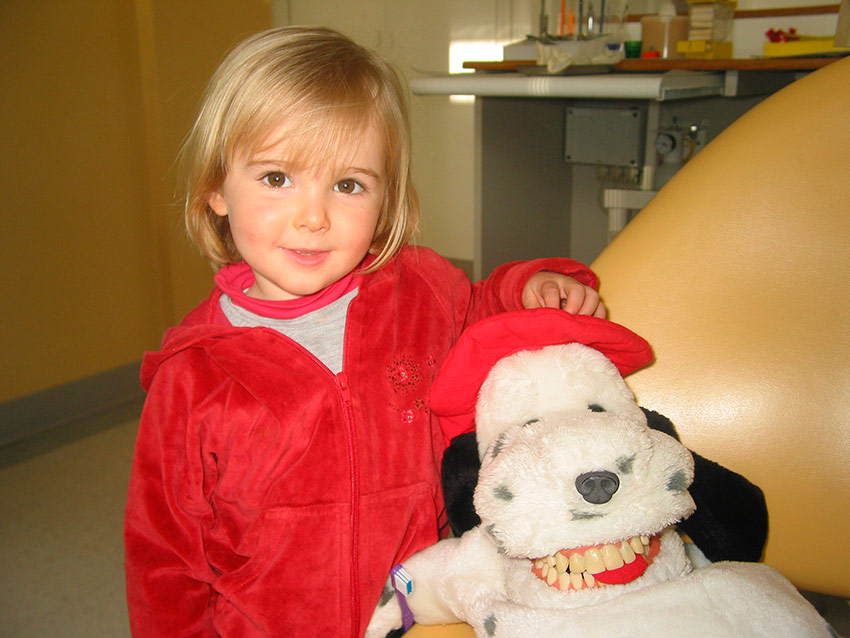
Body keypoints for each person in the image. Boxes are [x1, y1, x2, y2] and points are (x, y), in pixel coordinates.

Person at [124, 26, 606, 638]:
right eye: (276, 178)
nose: (313, 216)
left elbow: (486, 310)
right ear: (217, 189)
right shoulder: (193, 373)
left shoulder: (420, 293)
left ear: (385, 202)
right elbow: (163, 556)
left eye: (347, 185)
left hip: (426, 613)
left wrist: (530, 286)